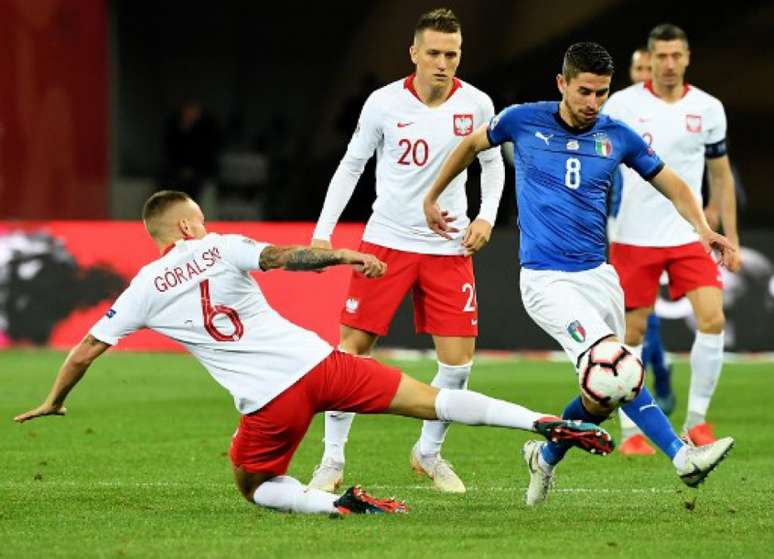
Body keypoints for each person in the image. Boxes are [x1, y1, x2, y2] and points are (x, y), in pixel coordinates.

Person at [14, 191, 613, 516]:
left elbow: (85, 352)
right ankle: (539, 421)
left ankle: (333, 506)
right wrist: (348, 256)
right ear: (188, 228)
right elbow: (284, 258)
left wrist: (52, 401)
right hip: (321, 364)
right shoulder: (222, 246)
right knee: (436, 402)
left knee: (252, 485)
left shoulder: (141, 289)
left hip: (269, 404)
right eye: (199, 220)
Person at [423, 42, 737, 506]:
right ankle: (681, 456)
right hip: (547, 280)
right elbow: (470, 145)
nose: (593, 103)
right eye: (584, 91)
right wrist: (434, 196)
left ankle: (544, 458)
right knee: (617, 369)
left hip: (599, 277)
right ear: (562, 84)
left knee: (600, 397)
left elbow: (671, 181)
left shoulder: (617, 135)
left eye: (602, 93)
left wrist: (704, 228)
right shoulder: (520, 120)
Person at [308, 8, 505, 494]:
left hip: (448, 246)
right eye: (434, 53)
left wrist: (485, 217)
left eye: (452, 54)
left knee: (458, 362)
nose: (443, 63)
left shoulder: (478, 104)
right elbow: (351, 165)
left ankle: (429, 452)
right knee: (351, 353)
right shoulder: (383, 103)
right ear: (414, 53)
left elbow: (494, 165)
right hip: (386, 242)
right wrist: (322, 234)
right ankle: (331, 459)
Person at [603, 24, 741, 449]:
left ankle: (697, 419)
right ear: (650, 58)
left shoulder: (709, 108)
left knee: (713, 318)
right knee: (633, 332)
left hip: (689, 234)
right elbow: (601, 168)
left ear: (687, 58)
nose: (667, 64)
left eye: (675, 56)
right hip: (633, 235)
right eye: (660, 56)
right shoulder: (622, 104)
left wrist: (728, 233)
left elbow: (720, 173)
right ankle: (630, 432)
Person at [608, 45, 674, 456]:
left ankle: (656, 377)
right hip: (620, 231)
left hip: (661, 231)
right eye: (637, 68)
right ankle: (651, 381)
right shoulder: (616, 116)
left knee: (641, 322)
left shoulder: (656, 125)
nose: (643, 73)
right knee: (631, 319)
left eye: (648, 68)